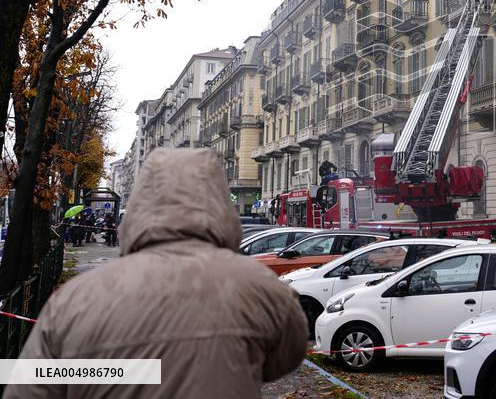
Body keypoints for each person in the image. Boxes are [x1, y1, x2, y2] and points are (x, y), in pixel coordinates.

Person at [11, 148, 308, 398]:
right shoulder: (262, 287)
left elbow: (31, 386)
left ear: (141, 202)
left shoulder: (76, 298)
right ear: (219, 201)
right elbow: (284, 360)